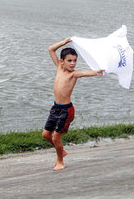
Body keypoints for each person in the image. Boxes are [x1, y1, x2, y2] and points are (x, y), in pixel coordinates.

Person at [42, 37, 104, 171]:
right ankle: (61, 150)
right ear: (61, 61)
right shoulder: (59, 68)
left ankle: (60, 161)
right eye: (69, 60)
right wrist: (64, 42)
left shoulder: (74, 74)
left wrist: (96, 72)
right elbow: (51, 49)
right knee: (46, 135)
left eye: (75, 60)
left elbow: (85, 73)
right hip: (55, 108)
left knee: (56, 137)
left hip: (66, 110)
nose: (73, 63)